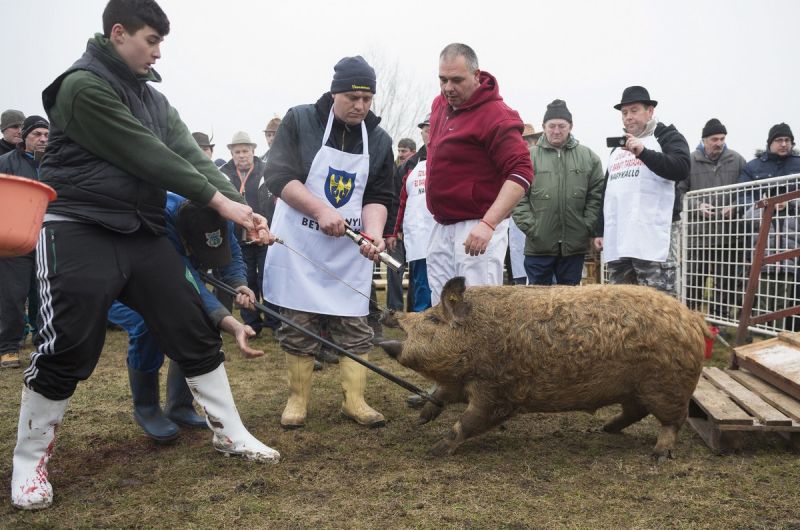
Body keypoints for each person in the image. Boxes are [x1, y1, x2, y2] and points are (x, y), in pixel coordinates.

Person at [12, 0, 279, 511]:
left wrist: (241, 208)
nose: (157, 53)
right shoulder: (81, 86)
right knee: (67, 343)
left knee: (192, 325)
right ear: (118, 33)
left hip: (141, 231)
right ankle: (29, 461)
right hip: (78, 226)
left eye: (161, 43)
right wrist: (220, 201)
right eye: (150, 41)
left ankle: (229, 432)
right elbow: (148, 155)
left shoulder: (154, 99)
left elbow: (187, 153)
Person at [263, 55, 394, 430]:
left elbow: (380, 195)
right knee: (298, 323)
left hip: (348, 251)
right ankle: (297, 400)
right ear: (335, 92)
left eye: (368, 99)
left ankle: (355, 400)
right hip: (301, 243)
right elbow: (279, 176)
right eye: (353, 97)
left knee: (355, 324)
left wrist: (372, 233)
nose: (361, 106)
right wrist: (319, 211)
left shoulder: (379, 139)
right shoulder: (302, 120)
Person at [108, 192, 265, 441]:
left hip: (169, 274)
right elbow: (191, 285)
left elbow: (231, 254)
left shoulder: (219, 211)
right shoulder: (161, 220)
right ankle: (146, 407)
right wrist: (233, 324)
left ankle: (179, 406)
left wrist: (238, 284)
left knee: (196, 322)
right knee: (147, 325)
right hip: (120, 277)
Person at [425, 43, 533, 304]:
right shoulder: (440, 105)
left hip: (477, 225)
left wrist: (488, 224)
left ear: (476, 75)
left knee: (477, 309)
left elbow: (522, 172)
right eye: (443, 79)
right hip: (441, 224)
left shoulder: (497, 116)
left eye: (456, 80)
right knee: (440, 307)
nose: (448, 87)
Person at [592, 86, 690, 293]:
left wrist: (644, 153)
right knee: (621, 302)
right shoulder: (617, 149)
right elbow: (608, 191)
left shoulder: (666, 135)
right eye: (624, 113)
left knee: (658, 303)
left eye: (634, 110)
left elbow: (681, 167)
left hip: (653, 236)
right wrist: (600, 230)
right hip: (620, 237)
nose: (628, 117)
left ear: (650, 111)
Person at [512, 100, 604, 286]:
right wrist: (531, 227)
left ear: (570, 126)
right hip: (539, 246)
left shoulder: (589, 158)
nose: (556, 131)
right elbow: (517, 195)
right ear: (543, 127)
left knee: (569, 302)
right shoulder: (528, 157)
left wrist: (586, 225)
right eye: (551, 126)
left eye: (561, 126)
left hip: (573, 246)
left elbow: (596, 195)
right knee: (537, 301)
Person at [678, 118, 747, 315]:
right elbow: (679, 191)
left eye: (722, 138)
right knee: (694, 279)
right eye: (714, 139)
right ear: (704, 140)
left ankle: (720, 319)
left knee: (726, 281)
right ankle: (691, 318)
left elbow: (747, 191)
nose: (719, 143)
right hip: (698, 235)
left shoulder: (737, 159)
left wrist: (736, 206)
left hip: (729, 235)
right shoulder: (689, 161)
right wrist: (696, 205)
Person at [738, 123, 800, 332]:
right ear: (769, 143)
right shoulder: (753, 167)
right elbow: (743, 196)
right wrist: (763, 206)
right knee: (761, 293)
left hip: (793, 239)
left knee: (791, 295)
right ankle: (761, 336)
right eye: (779, 140)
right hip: (762, 239)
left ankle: (787, 336)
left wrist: (789, 203)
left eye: (787, 141)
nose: (784, 144)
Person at [0, 115, 49, 369]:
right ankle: (8, 346)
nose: (42, 139)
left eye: (45, 134)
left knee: (43, 293)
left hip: (46, 237)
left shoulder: (54, 163)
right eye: (36, 134)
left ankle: (43, 342)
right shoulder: (6, 162)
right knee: (13, 295)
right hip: (15, 239)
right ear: (25, 137)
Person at [220, 131, 275, 335]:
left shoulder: (267, 171)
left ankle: (273, 320)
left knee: (267, 279)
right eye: (237, 151)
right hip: (237, 237)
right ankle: (251, 323)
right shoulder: (222, 173)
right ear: (232, 153)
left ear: (253, 151)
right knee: (246, 279)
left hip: (262, 235)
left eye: (245, 151)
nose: (242, 155)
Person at [387, 113, 434, 312]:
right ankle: (420, 320)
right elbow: (398, 200)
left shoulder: (455, 157)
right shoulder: (409, 165)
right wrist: (392, 231)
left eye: (432, 127)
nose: (428, 132)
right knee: (420, 281)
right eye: (425, 129)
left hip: (446, 233)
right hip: (418, 234)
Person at [383, 137, 417, 314]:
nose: (401, 154)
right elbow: (392, 203)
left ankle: (414, 311)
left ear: (413, 151)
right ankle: (394, 310)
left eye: (404, 151)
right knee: (394, 270)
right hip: (397, 232)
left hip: (415, 232)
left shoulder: (417, 170)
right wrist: (391, 232)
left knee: (416, 274)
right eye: (399, 150)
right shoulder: (393, 171)